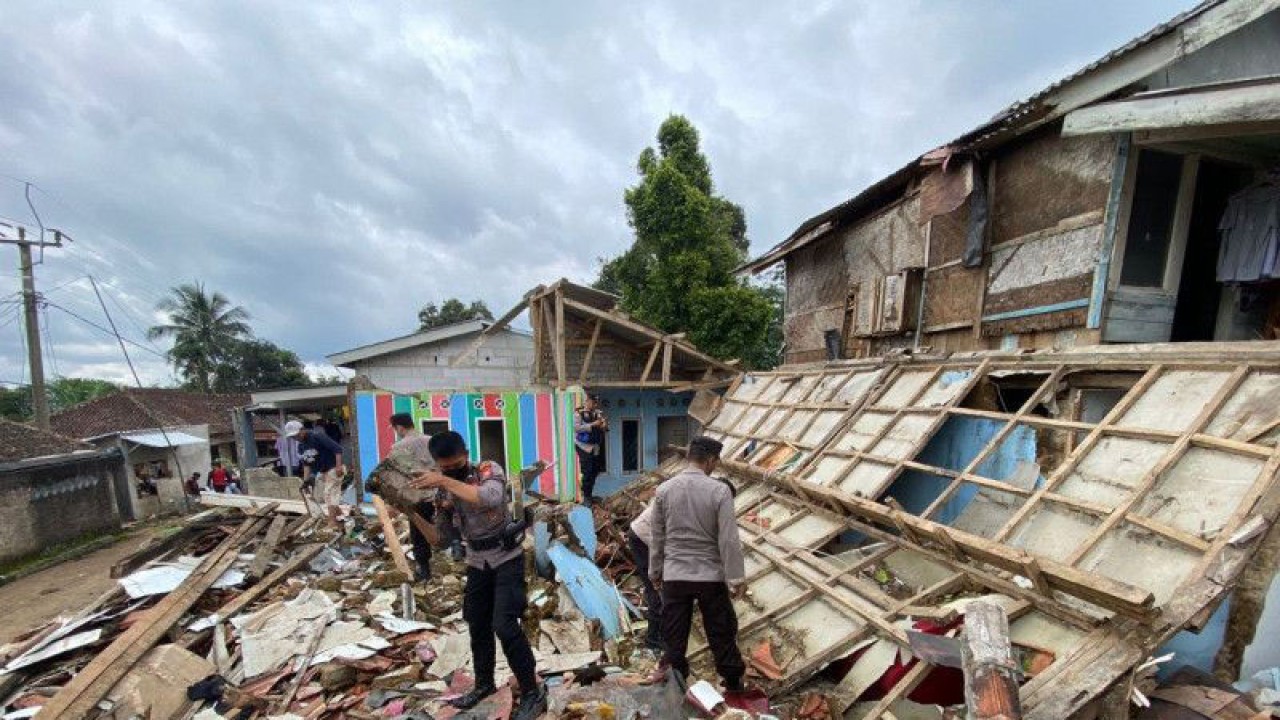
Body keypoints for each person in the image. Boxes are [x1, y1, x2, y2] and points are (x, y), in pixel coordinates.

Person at [409, 431, 546, 720]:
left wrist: (444, 480)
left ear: (466, 454)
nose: (450, 471)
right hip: (476, 561)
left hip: (506, 558)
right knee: (477, 623)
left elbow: (489, 497)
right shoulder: (443, 490)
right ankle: (484, 683)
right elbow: (441, 539)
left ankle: (532, 691)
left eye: (455, 465)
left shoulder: (487, 470)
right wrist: (413, 513)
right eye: (444, 467)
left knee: (505, 625)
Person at [649, 436, 747, 694]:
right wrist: (736, 577)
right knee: (721, 632)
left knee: (674, 636)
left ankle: (676, 686)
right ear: (711, 460)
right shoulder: (719, 491)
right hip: (710, 576)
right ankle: (733, 684)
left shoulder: (665, 490)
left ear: (689, 457)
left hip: (675, 575)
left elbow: (657, 536)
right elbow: (728, 538)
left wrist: (655, 571)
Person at [388, 412, 446, 581]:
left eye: (395, 428)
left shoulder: (398, 447)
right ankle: (457, 550)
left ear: (399, 427)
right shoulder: (431, 440)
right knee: (448, 523)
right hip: (440, 492)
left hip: (417, 496)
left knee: (419, 531)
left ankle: (424, 569)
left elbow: (396, 476)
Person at [287, 419, 347, 527]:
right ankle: (341, 517)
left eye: (296, 435)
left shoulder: (317, 436)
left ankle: (332, 522)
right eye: (293, 437)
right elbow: (306, 464)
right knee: (326, 496)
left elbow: (338, 449)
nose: (296, 438)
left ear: (302, 429)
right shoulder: (301, 446)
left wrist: (338, 467)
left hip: (334, 467)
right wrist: (305, 481)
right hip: (323, 471)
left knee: (329, 494)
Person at [628, 501, 665, 652]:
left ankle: (657, 635)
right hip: (643, 537)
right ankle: (654, 638)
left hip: (647, 533)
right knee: (656, 588)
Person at [573, 395, 608, 505]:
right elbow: (577, 428)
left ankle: (590, 494)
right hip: (583, 446)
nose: (595, 405)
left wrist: (603, 425)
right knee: (587, 471)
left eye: (596, 403)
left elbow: (604, 428)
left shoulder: (597, 413)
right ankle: (586, 497)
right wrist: (593, 424)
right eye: (593, 402)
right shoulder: (578, 413)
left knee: (595, 470)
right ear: (587, 402)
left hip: (595, 446)